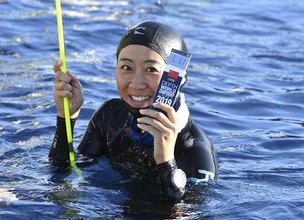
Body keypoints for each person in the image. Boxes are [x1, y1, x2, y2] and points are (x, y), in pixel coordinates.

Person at [49, 20, 218, 200]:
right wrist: (66, 117)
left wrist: (166, 162)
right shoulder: (110, 116)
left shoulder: (194, 152)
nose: (137, 84)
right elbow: (62, 172)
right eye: (126, 68)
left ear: (176, 79)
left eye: (151, 69)